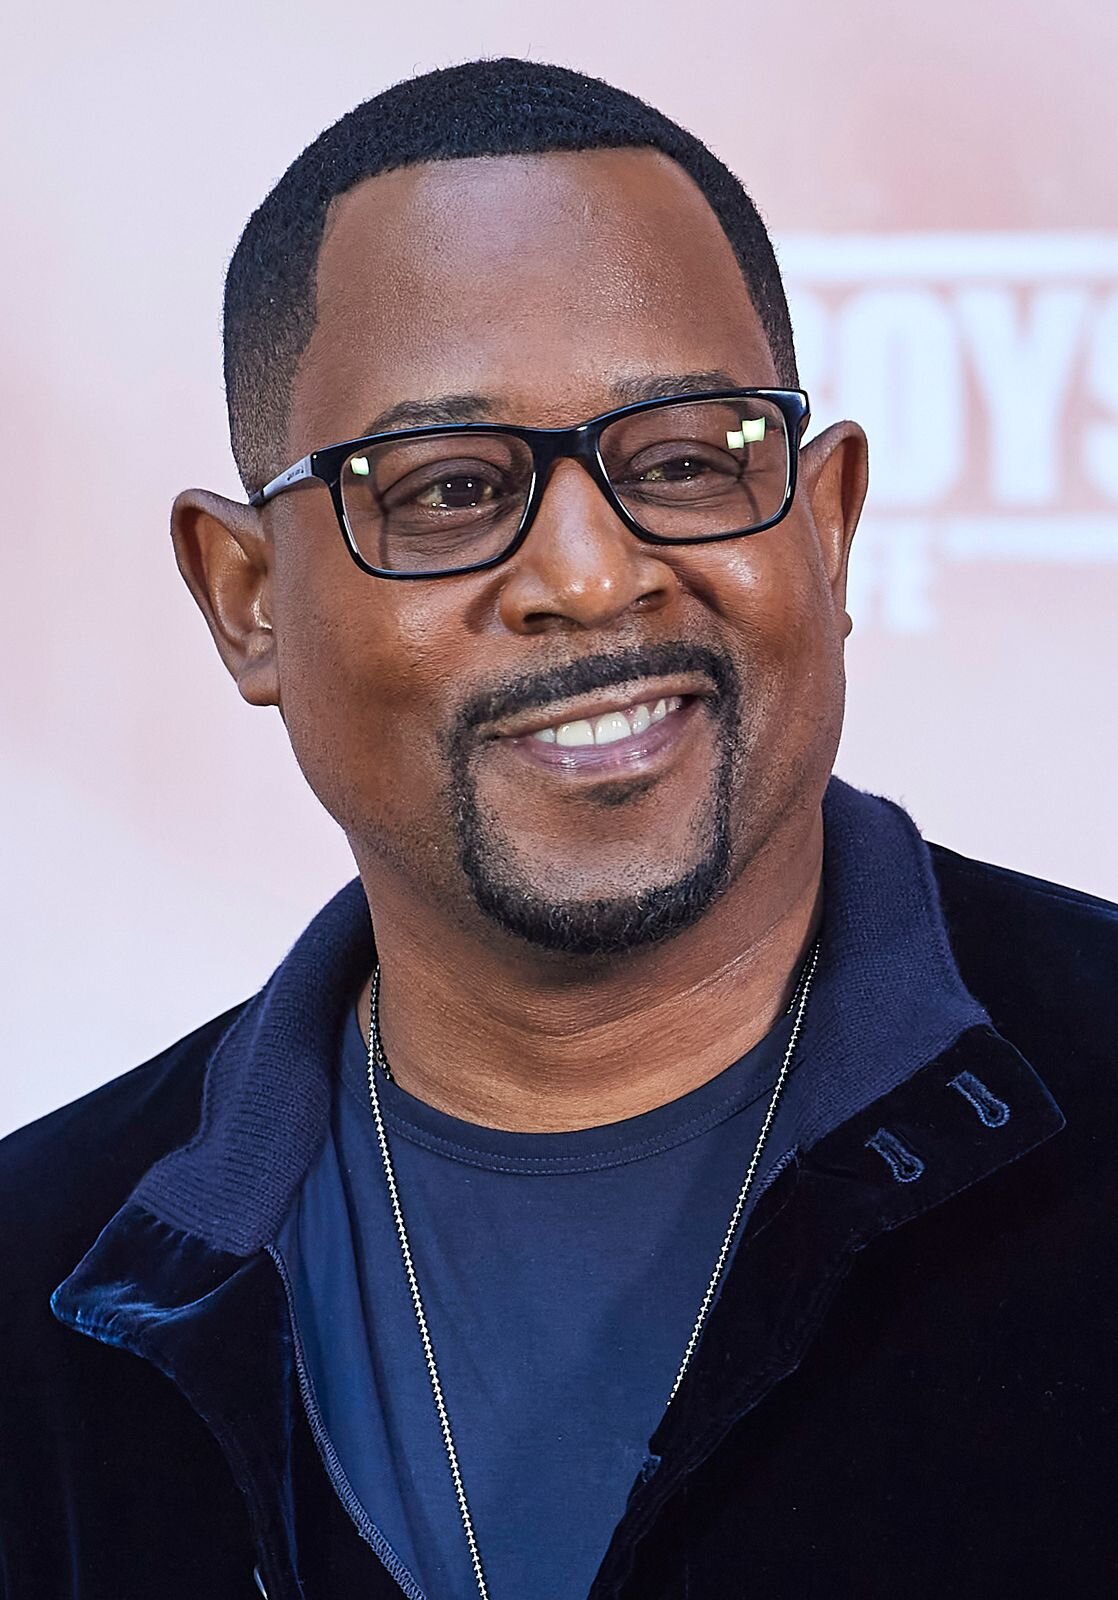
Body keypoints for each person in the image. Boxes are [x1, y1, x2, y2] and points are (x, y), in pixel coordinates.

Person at [1, 57, 1114, 1600]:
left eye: (684, 461)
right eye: (446, 490)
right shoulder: (38, 1289)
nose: (591, 577)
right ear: (246, 601)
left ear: (827, 525)